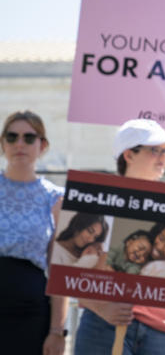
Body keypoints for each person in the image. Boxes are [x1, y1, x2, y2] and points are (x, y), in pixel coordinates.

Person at [74, 118, 165, 355]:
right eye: (155, 150)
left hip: (160, 331)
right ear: (129, 155)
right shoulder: (95, 200)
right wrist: (100, 307)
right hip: (103, 324)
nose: (163, 157)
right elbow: (65, 270)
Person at [0, 110, 68, 355]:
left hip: (30, 316)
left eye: (29, 138)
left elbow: (60, 269)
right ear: (2, 143)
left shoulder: (55, 198)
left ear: (43, 145)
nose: (20, 144)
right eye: (12, 137)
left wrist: (57, 331)